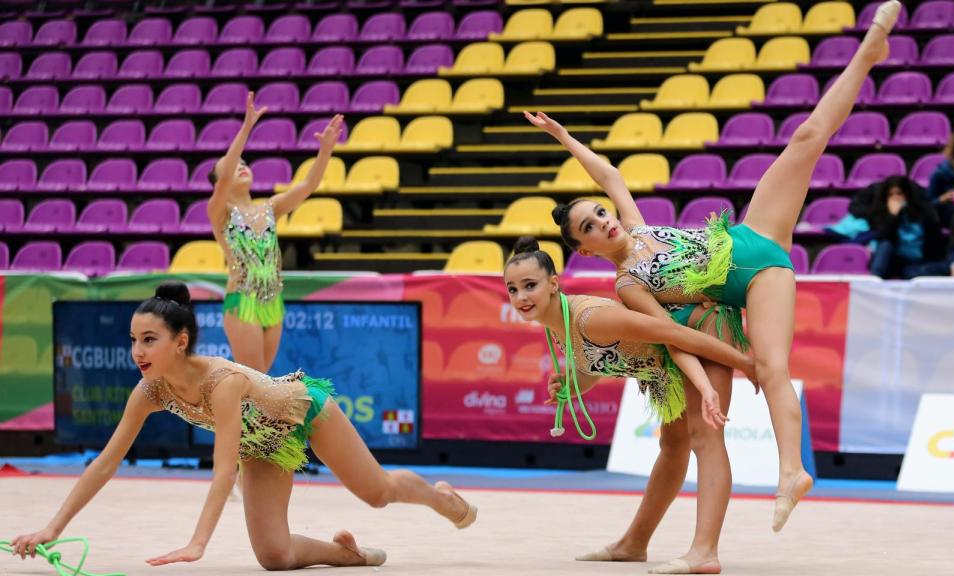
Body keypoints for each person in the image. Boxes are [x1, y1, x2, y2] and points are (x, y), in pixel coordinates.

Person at [523, 0, 904, 535]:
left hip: (756, 234)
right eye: (589, 227)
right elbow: (672, 337)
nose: (604, 222)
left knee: (806, 139)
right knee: (770, 368)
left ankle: (868, 53)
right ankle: (791, 471)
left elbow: (610, 175)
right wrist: (702, 386)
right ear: (582, 250)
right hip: (760, 281)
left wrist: (563, 138)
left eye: (600, 214)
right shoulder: (628, 284)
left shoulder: (637, 226)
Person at [9, 282, 476, 570]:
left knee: (377, 493)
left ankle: (440, 498)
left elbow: (222, 472)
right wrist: (52, 527)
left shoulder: (223, 382)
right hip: (264, 442)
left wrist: (198, 542)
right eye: (134, 340)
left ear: (181, 341)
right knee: (274, 557)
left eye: (149, 340)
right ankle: (346, 555)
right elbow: (105, 464)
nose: (138, 351)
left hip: (302, 410)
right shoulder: (149, 391)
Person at [505, 238, 752, 574]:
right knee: (673, 444)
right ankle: (633, 544)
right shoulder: (558, 325)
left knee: (704, 438)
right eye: (513, 289)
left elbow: (670, 332)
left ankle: (705, 552)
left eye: (529, 286)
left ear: (553, 284)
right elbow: (595, 363)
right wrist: (570, 385)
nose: (521, 297)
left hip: (702, 328)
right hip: (669, 363)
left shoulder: (590, 317)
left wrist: (747, 365)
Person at [208, 92, 344, 373]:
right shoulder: (220, 212)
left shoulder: (270, 207)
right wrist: (246, 127)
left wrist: (326, 149)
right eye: (234, 168)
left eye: (245, 164)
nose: (242, 168)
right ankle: (230, 417)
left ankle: (239, 416)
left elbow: (308, 185)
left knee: (263, 380)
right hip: (243, 302)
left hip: (273, 301)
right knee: (253, 380)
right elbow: (224, 177)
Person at [854, 176, 945, 279]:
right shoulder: (881, 213)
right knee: (885, 244)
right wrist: (893, 216)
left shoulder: (923, 212)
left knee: (915, 273)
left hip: (917, 260)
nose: (895, 198)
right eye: (890, 195)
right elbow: (883, 236)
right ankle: (874, 280)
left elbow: (935, 238)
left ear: (907, 194)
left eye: (899, 193)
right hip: (894, 260)